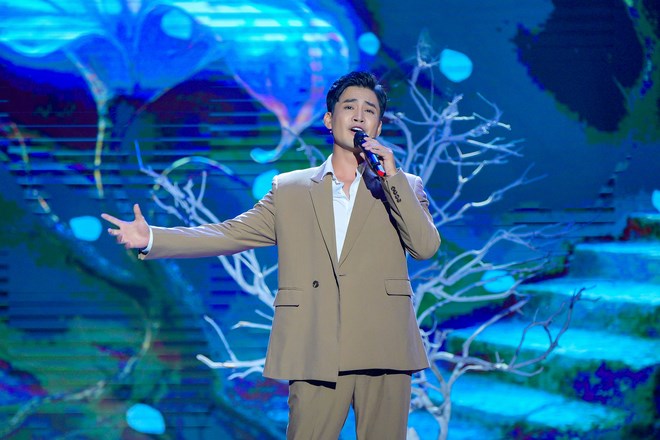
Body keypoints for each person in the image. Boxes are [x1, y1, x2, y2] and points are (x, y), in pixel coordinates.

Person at [102, 71, 440, 439]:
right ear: (329, 120)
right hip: (316, 344)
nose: (359, 116)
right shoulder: (291, 189)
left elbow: (425, 247)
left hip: (383, 344)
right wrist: (153, 237)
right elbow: (229, 233)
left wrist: (392, 179)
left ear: (378, 125)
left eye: (369, 110)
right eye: (349, 107)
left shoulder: (404, 187)